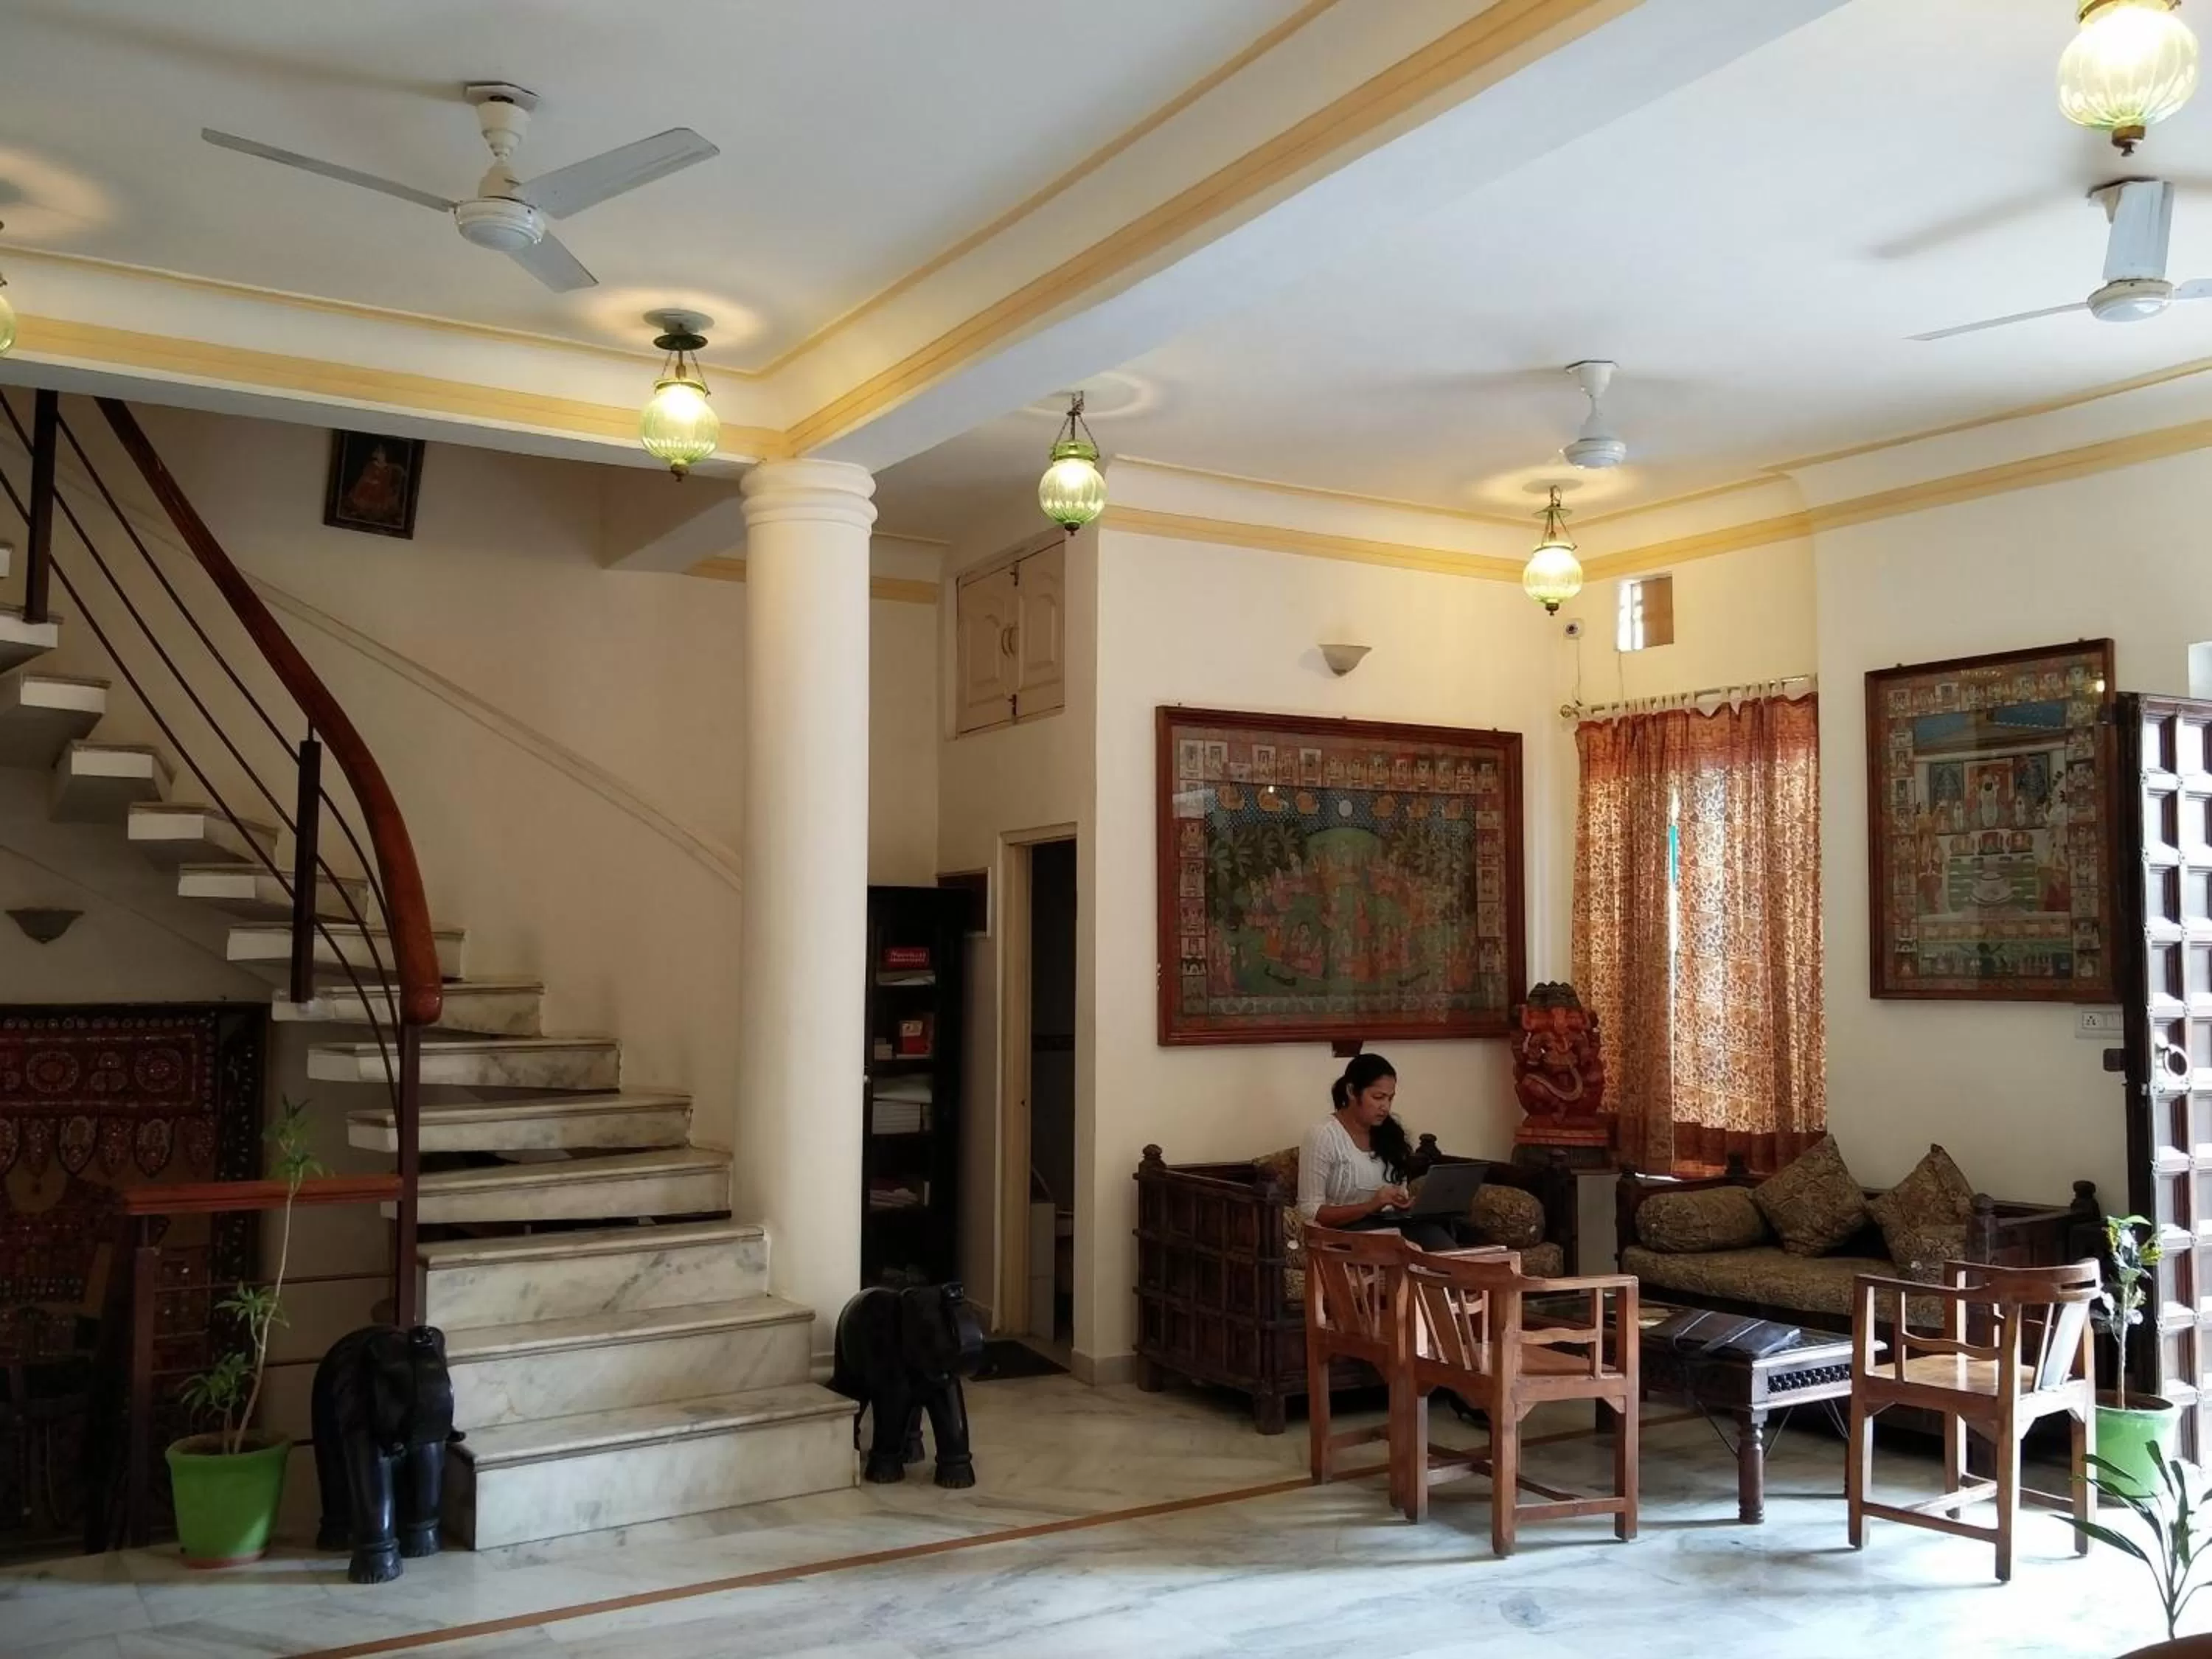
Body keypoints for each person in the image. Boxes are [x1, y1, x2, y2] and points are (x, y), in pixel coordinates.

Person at [1295, 1052, 1459, 1251]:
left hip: (1390, 1226)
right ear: (1351, 1091)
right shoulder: (1322, 1135)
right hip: (1343, 1235)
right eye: (1378, 1097)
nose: (1386, 1107)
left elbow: (1398, 1191)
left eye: (1390, 1099)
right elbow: (1310, 1212)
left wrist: (1404, 1203)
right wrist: (1370, 1206)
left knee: (1443, 1244)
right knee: (1408, 1249)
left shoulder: (1390, 1135)